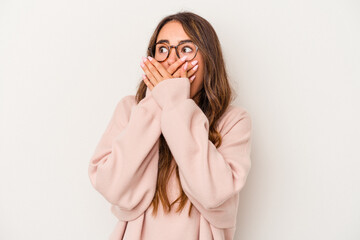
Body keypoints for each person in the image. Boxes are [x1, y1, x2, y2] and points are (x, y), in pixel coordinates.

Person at [88, 11, 252, 240]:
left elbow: (214, 192)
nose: (171, 61)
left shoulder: (233, 121)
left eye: (185, 49)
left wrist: (174, 102)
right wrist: (157, 101)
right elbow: (112, 186)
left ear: (209, 59)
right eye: (162, 49)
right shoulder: (130, 110)